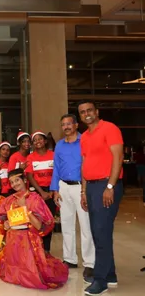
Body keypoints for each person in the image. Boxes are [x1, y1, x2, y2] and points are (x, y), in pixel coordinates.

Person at [0, 169, 68, 290]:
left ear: (24, 180)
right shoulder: (8, 200)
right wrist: (6, 224)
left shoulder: (35, 199)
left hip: (29, 240)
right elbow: (3, 221)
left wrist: (25, 208)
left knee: (35, 273)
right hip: (13, 240)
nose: (14, 184)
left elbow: (39, 226)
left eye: (17, 180)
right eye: (12, 182)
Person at [78, 100, 124, 295]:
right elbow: (85, 163)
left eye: (89, 110)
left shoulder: (110, 128)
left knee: (100, 232)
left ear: (96, 112)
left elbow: (118, 158)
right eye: (82, 112)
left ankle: (101, 279)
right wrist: (83, 191)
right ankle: (110, 274)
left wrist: (110, 186)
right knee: (100, 232)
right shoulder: (85, 137)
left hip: (106, 185)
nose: (87, 114)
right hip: (91, 187)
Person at [51, 114, 95, 280]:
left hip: (81, 187)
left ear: (76, 125)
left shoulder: (85, 141)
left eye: (69, 123)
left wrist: (85, 190)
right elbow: (56, 167)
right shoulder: (60, 145)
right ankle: (69, 259)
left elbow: (88, 165)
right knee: (67, 225)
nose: (66, 127)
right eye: (63, 124)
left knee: (85, 225)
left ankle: (90, 263)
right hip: (63, 187)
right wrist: (55, 189)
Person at [25, 130, 56, 253]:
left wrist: (53, 190)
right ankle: (37, 248)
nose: (38, 141)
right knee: (36, 221)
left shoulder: (53, 155)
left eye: (40, 139)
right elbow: (30, 176)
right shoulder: (30, 157)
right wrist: (41, 193)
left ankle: (46, 249)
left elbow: (56, 174)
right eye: (35, 140)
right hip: (37, 192)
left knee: (49, 221)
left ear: (45, 141)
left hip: (52, 190)